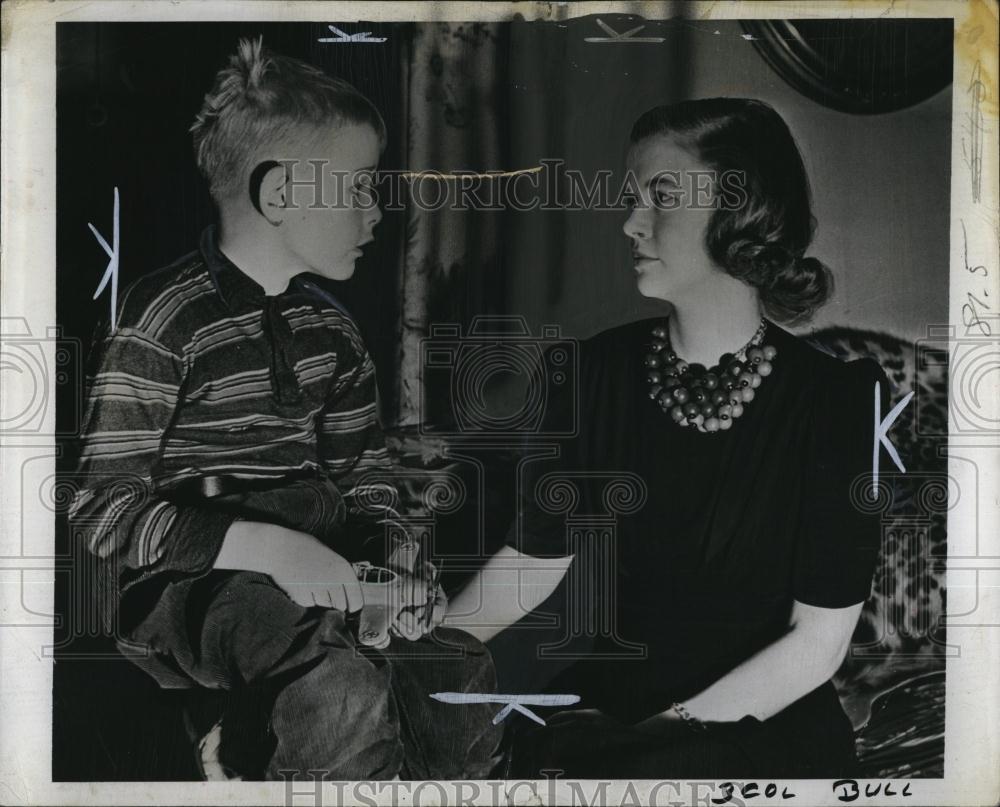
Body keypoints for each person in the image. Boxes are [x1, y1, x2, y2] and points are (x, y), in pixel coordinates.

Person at [68, 38, 502, 781]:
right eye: (360, 187)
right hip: (194, 588)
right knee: (333, 683)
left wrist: (395, 549)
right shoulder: (164, 319)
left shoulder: (331, 331)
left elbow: (364, 472)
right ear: (279, 196)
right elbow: (102, 510)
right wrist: (272, 551)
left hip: (329, 569)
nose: (376, 211)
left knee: (454, 671)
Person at [446, 98, 893, 778]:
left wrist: (658, 739)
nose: (630, 223)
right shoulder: (587, 372)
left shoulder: (835, 401)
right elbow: (531, 562)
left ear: (740, 210)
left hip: (761, 721)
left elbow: (819, 642)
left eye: (660, 195)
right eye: (632, 198)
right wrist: (422, 652)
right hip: (611, 706)